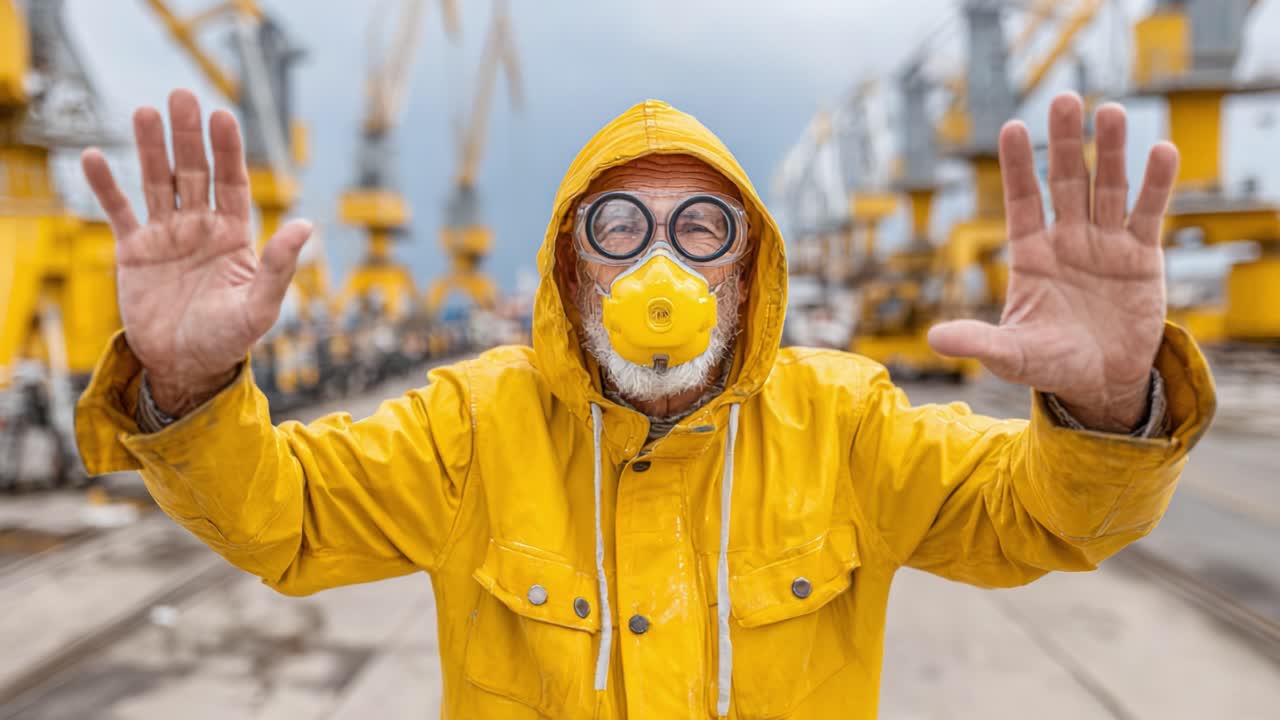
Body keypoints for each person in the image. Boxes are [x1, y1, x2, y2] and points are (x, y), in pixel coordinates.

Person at [76, 89, 1214, 719]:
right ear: (568, 268)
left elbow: (1047, 520)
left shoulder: (850, 424)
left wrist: (1111, 404)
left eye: (699, 230)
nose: (657, 267)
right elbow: (287, 517)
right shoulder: (470, 427)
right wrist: (188, 384)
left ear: (745, 270)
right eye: (615, 230)